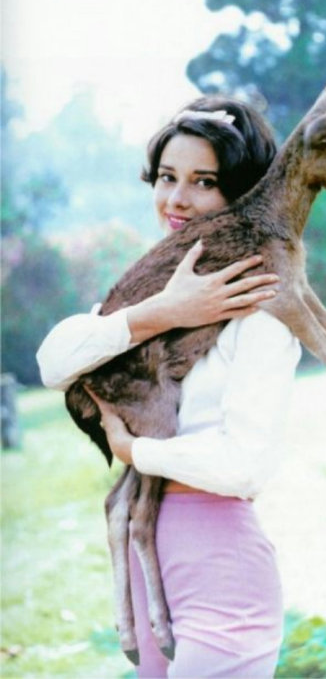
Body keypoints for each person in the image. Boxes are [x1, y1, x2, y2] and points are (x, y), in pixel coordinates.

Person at [37, 96, 301, 678]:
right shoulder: (146, 298)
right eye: (166, 177)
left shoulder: (258, 315)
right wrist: (161, 310)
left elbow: (246, 464)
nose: (177, 199)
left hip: (222, 576)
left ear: (241, 193)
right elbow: (53, 363)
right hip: (147, 566)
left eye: (204, 182)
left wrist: (137, 452)